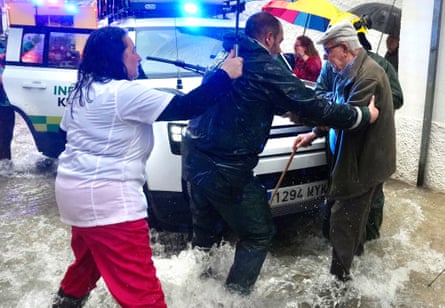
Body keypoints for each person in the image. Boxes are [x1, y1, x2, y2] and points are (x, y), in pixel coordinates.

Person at [181, 12, 379, 295]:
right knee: (259, 232)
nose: (279, 50)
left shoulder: (227, 56)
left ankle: (199, 286)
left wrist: (287, 110)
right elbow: (316, 106)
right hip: (225, 169)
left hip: (194, 160)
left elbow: (243, 97)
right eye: (278, 42)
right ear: (268, 37)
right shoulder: (264, 65)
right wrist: (362, 115)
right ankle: (232, 298)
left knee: (206, 232)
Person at [52, 26, 243, 308]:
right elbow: (187, 106)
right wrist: (225, 74)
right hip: (110, 204)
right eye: (131, 50)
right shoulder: (123, 93)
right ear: (113, 57)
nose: (138, 57)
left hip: (73, 196)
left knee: (86, 266)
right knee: (143, 294)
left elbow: (63, 133)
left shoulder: (83, 89)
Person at [294, 21, 396, 281]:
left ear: (345, 48)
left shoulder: (368, 76)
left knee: (342, 221)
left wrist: (305, 116)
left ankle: (337, 286)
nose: (326, 57)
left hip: (362, 164)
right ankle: (355, 269)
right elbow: (337, 105)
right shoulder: (348, 68)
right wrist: (314, 133)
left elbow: (346, 118)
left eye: (329, 50)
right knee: (353, 221)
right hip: (352, 158)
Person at [316, 25, 404, 241]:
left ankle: (368, 241)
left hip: (370, 146)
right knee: (337, 192)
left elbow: (397, 98)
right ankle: (334, 242)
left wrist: (369, 108)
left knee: (371, 198)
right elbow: (319, 93)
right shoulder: (332, 65)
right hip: (339, 142)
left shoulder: (379, 66)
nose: (328, 57)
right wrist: (342, 107)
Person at [0, 40, 15, 175]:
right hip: (5, 104)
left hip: (6, 105)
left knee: (5, 137)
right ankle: (5, 167)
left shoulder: (6, 51)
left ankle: (6, 166)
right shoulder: (6, 51)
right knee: (5, 137)